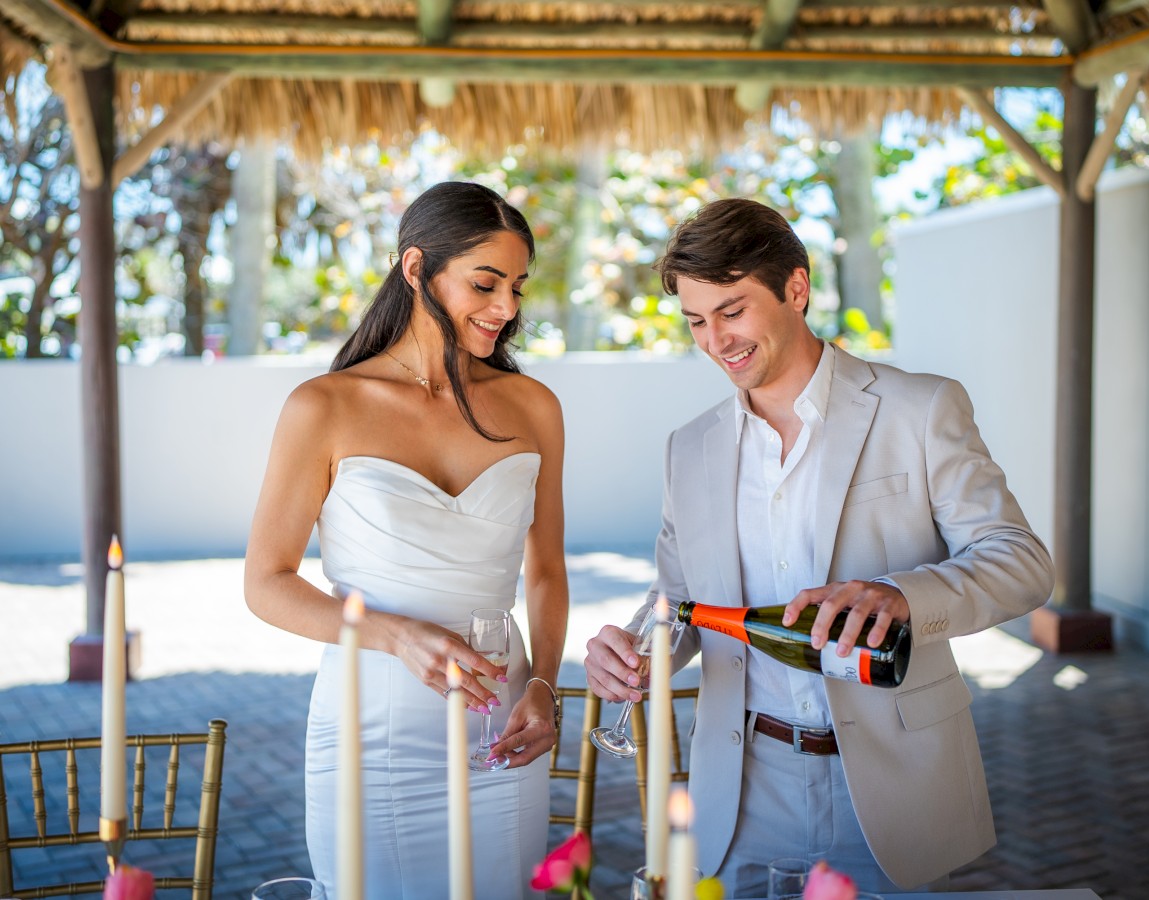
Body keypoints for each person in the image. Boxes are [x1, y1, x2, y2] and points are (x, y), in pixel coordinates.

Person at [584, 198, 1054, 893]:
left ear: (796, 288)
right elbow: (678, 601)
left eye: (733, 310)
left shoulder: (920, 409)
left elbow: (1021, 563)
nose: (716, 340)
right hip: (741, 793)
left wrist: (899, 594)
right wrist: (633, 648)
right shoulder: (690, 447)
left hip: (893, 788)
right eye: (696, 321)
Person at [244, 181, 568, 899]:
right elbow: (266, 582)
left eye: (516, 286)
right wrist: (393, 636)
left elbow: (545, 572)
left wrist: (543, 685)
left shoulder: (534, 407)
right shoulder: (324, 407)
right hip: (372, 728)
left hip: (501, 730)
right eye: (485, 283)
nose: (507, 307)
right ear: (416, 269)